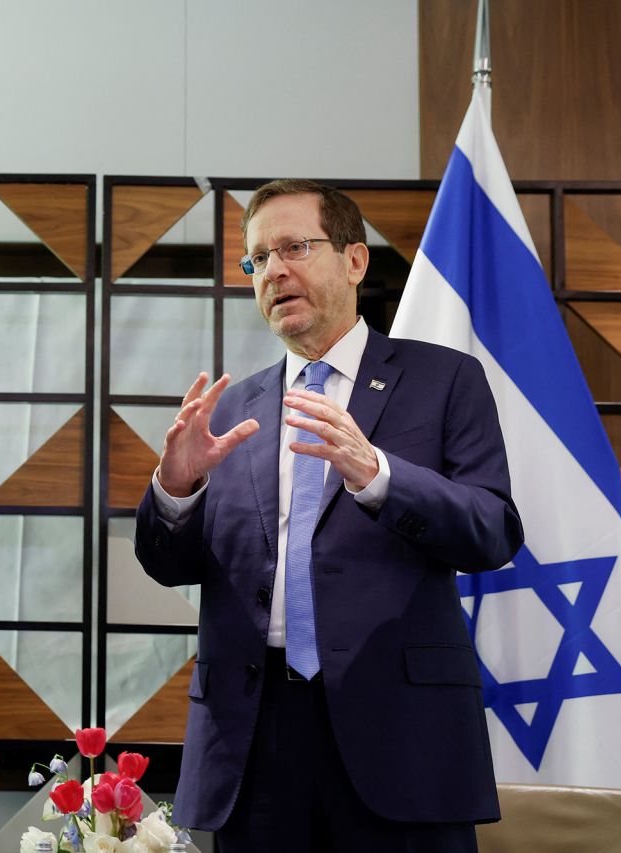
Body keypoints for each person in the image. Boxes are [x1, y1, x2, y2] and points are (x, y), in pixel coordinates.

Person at [134, 179, 523, 852]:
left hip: (399, 736)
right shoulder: (229, 409)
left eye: (294, 246)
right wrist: (175, 485)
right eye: (258, 258)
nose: (274, 270)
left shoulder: (444, 380)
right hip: (253, 740)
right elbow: (168, 564)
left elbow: (491, 531)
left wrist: (379, 477)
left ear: (355, 260)